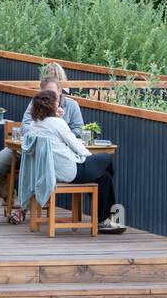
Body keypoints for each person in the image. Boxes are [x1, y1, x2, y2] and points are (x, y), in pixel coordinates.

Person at [22, 89, 124, 234]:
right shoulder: (57, 123)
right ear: (51, 105)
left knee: (104, 178)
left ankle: (103, 220)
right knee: (106, 159)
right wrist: (90, 158)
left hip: (50, 173)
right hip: (71, 171)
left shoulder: (34, 125)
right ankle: (107, 219)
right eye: (57, 102)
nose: (60, 105)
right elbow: (76, 145)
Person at [0, 76, 84, 223]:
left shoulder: (71, 105)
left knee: (38, 171)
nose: (49, 97)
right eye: (45, 94)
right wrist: (46, 121)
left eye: (52, 93)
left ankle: (22, 209)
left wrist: (56, 126)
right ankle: (11, 199)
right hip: (25, 149)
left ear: (60, 91)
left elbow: (78, 130)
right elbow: (25, 126)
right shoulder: (36, 103)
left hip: (53, 155)